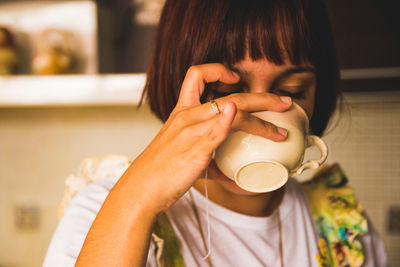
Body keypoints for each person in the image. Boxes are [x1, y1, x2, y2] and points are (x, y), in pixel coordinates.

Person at [43, 0, 388, 266]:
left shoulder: (343, 227)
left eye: (293, 91)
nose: (261, 117)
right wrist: (138, 195)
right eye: (224, 94)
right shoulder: (107, 212)